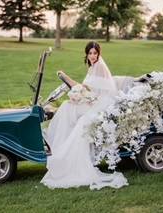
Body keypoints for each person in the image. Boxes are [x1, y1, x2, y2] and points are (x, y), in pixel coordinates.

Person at [41, 41, 128, 190]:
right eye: (90, 53)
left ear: (98, 54)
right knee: (67, 106)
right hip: (93, 100)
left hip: (100, 104)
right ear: (86, 54)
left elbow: (100, 93)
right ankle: (55, 144)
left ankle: (61, 152)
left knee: (73, 114)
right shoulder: (92, 67)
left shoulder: (99, 66)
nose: (93, 56)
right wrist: (71, 84)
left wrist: (83, 96)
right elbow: (85, 87)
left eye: (95, 53)